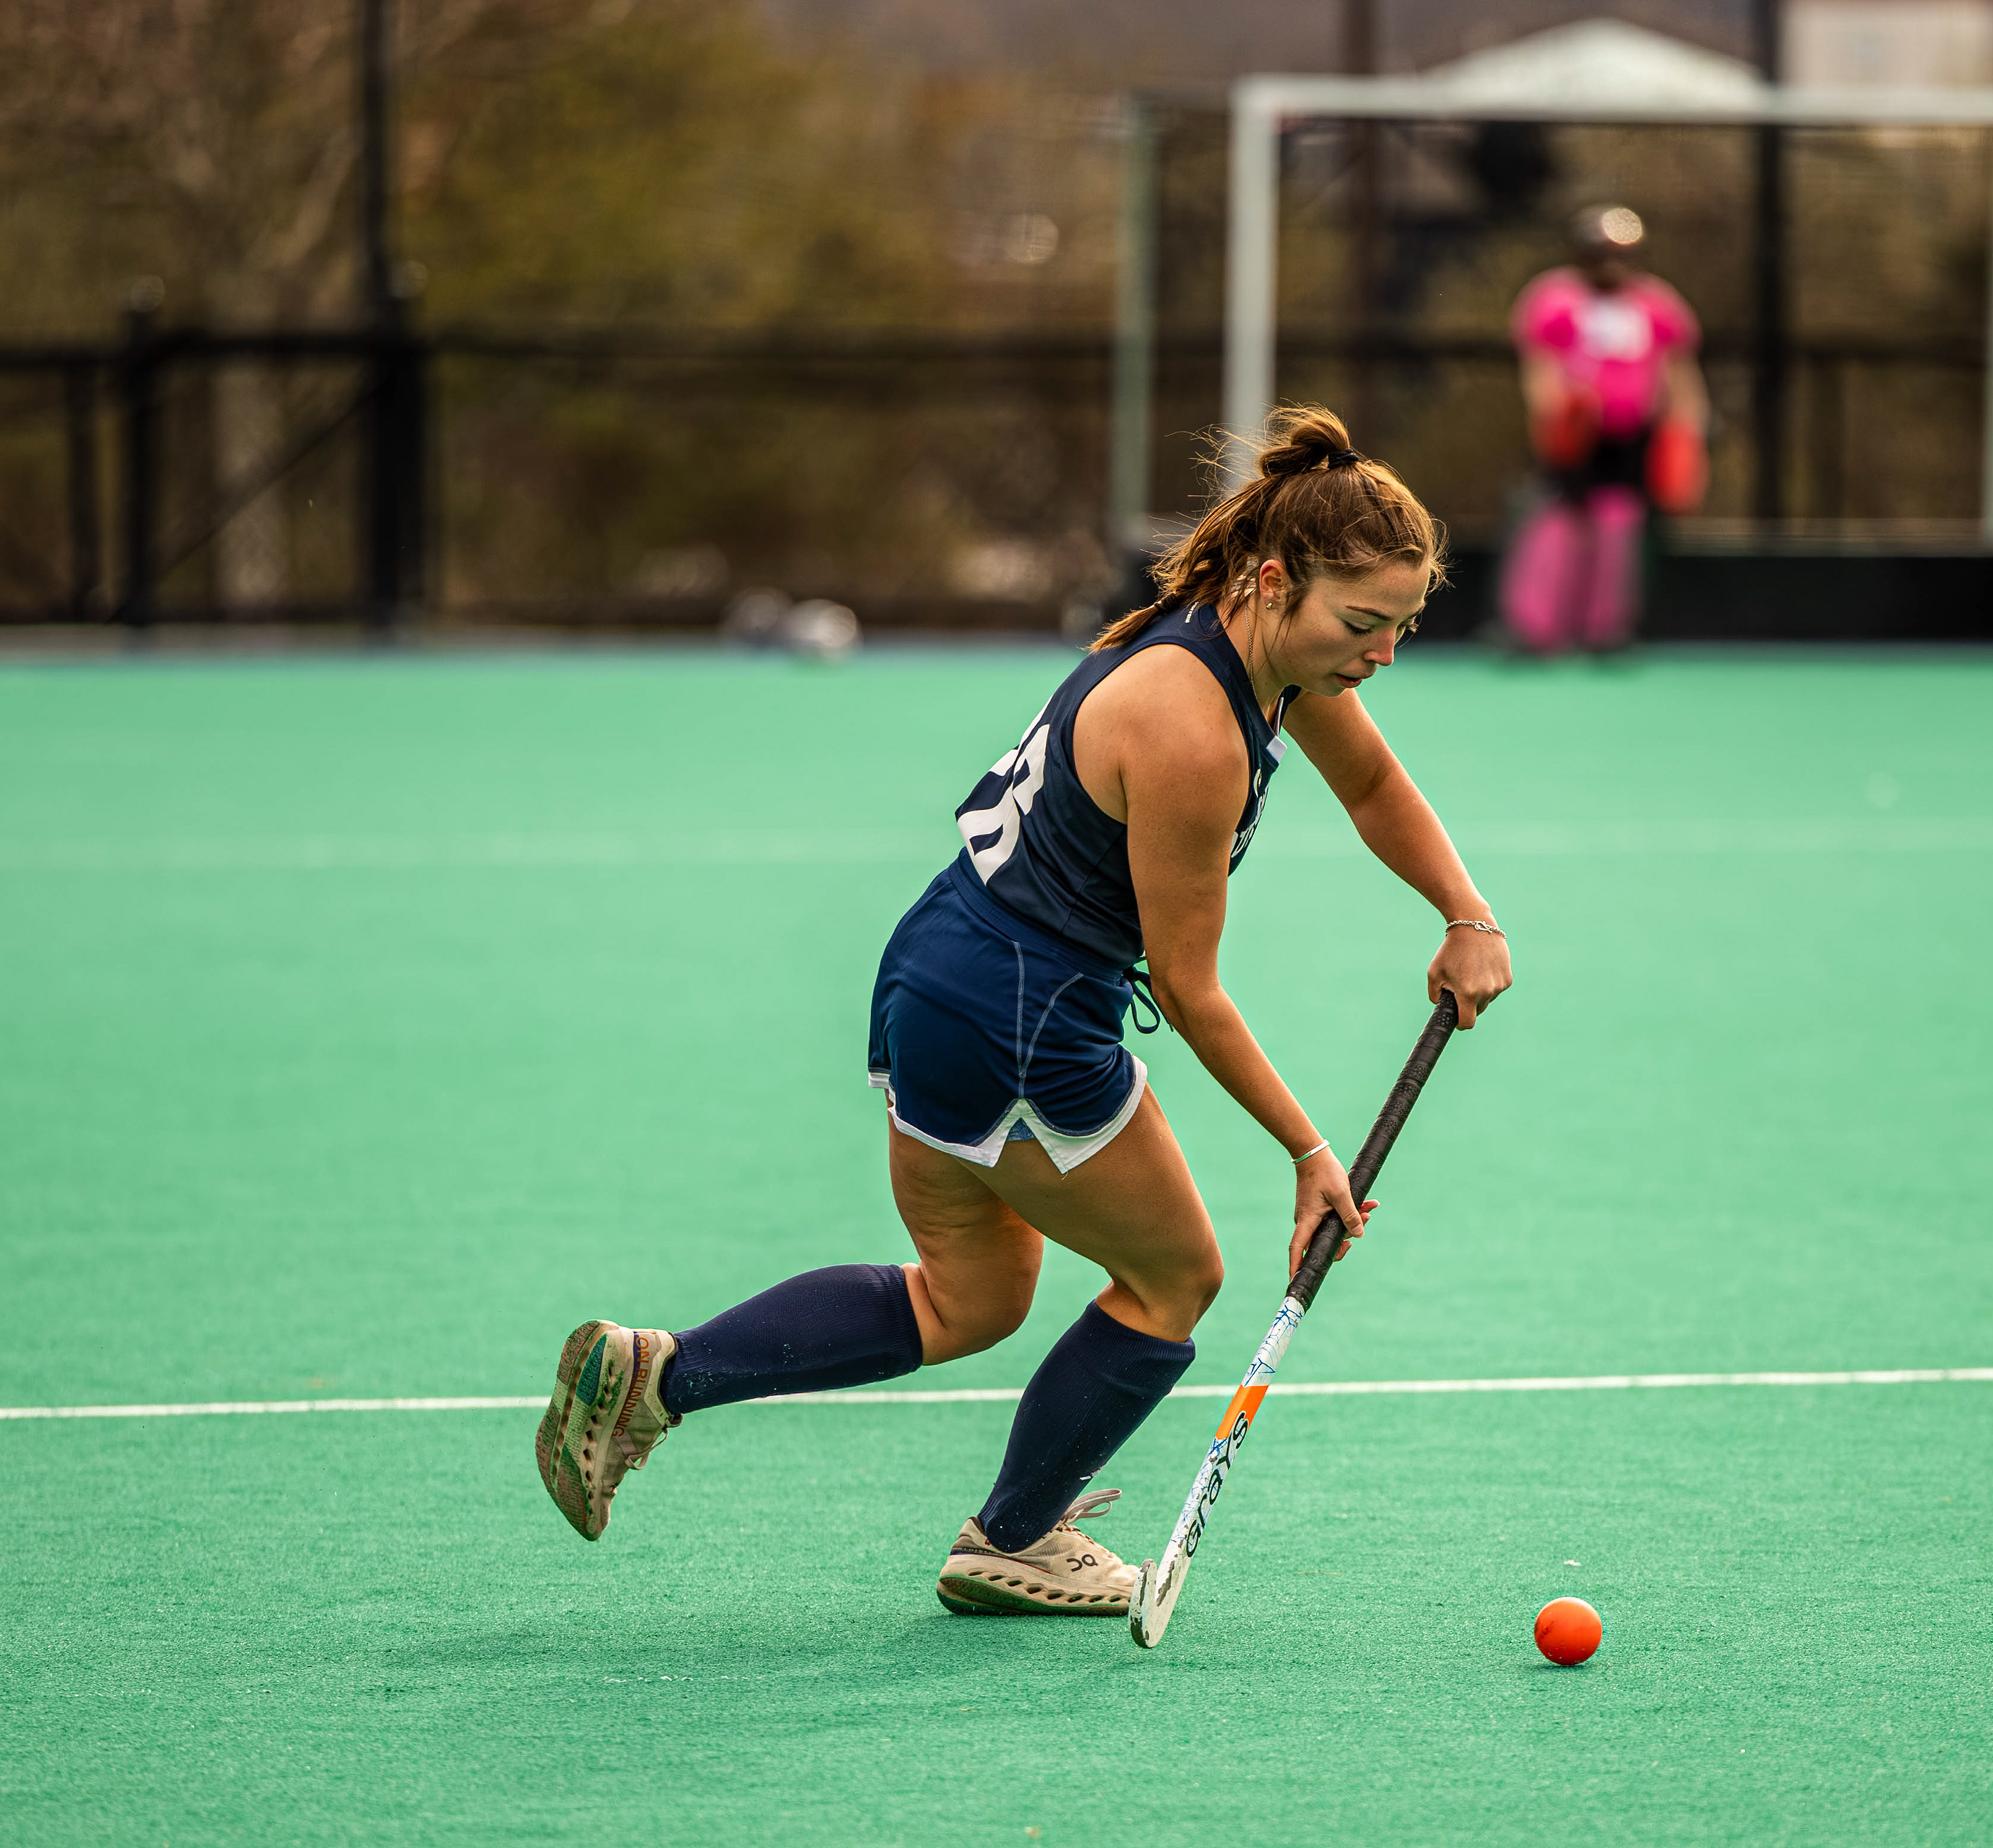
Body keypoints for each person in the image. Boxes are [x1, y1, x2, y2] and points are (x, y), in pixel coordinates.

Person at [536, 406, 1513, 1618]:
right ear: (1276, 581)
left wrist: (1466, 912)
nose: (1383, 655)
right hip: (1025, 1019)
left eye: (1402, 628)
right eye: (1363, 625)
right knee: (1174, 1278)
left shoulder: (1248, 645)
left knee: (971, 1299)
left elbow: (1369, 781)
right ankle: (1018, 1538)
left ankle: (657, 1377)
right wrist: (1311, 1155)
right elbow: (1191, 987)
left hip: (942, 976)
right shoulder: (1192, 729)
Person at [1499, 204, 1710, 655]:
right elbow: (1541, 368)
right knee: (1558, 522)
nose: (1612, 266)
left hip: (1632, 435)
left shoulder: (1657, 304)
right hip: (1576, 434)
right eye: (1601, 256)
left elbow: (1679, 371)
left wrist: (1687, 428)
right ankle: (1535, 629)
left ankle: (1606, 630)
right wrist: (1554, 422)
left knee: (1619, 522)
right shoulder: (1554, 299)